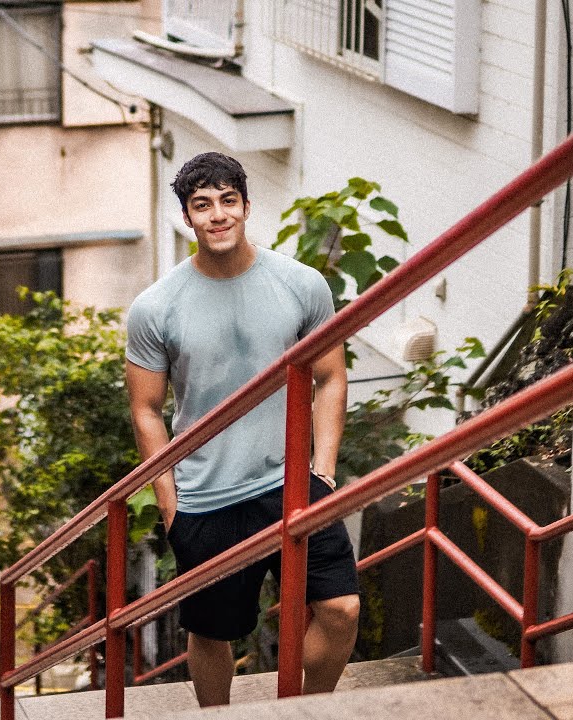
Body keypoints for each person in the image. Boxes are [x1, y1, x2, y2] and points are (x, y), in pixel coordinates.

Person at [125, 152, 359, 706]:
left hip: (292, 486)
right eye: (202, 205)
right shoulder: (155, 307)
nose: (217, 215)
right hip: (204, 499)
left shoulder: (302, 286)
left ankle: (305, 708)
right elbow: (146, 409)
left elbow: (331, 378)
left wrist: (322, 473)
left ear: (247, 206)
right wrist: (170, 506)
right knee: (212, 633)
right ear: (188, 217)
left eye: (228, 201)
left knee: (341, 608)